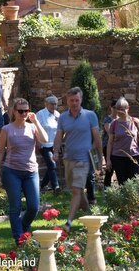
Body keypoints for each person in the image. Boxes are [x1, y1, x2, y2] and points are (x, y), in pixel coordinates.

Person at [0, 98, 48, 245]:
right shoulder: (7, 129)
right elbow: (0, 152)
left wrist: (36, 122)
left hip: (31, 172)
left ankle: (22, 227)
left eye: (26, 110)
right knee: (15, 207)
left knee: (34, 207)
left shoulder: (32, 127)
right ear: (14, 112)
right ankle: (19, 238)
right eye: (21, 111)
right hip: (11, 172)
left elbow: (45, 139)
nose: (24, 113)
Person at [53, 87, 103, 232]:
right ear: (67, 101)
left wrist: (100, 159)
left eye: (77, 100)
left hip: (84, 159)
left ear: (81, 100)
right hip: (68, 158)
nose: (74, 103)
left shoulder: (90, 115)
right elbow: (58, 136)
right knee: (78, 191)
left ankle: (68, 222)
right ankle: (90, 216)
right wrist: (55, 151)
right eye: (71, 100)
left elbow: (97, 139)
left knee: (76, 190)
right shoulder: (63, 117)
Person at [106, 97, 139, 186]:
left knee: (135, 183)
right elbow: (110, 143)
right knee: (123, 183)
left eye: (122, 109)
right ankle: (124, 200)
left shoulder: (135, 121)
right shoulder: (114, 123)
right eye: (118, 109)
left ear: (127, 109)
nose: (120, 112)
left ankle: (133, 200)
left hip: (134, 156)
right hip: (118, 157)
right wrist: (108, 159)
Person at [36, 95, 60, 193]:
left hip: (54, 144)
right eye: (52, 104)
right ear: (46, 104)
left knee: (51, 166)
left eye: (55, 104)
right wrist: (37, 143)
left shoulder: (58, 114)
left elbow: (60, 130)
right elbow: (36, 128)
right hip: (44, 144)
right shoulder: (41, 114)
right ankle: (56, 187)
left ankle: (43, 185)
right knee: (52, 164)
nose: (54, 106)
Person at [102, 99, 119, 188]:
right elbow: (109, 132)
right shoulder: (107, 119)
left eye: (118, 108)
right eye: (114, 107)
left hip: (118, 147)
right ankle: (107, 187)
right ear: (111, 108)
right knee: (110, 168)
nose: (116, 109)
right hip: (108, 146)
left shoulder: (121, 119)